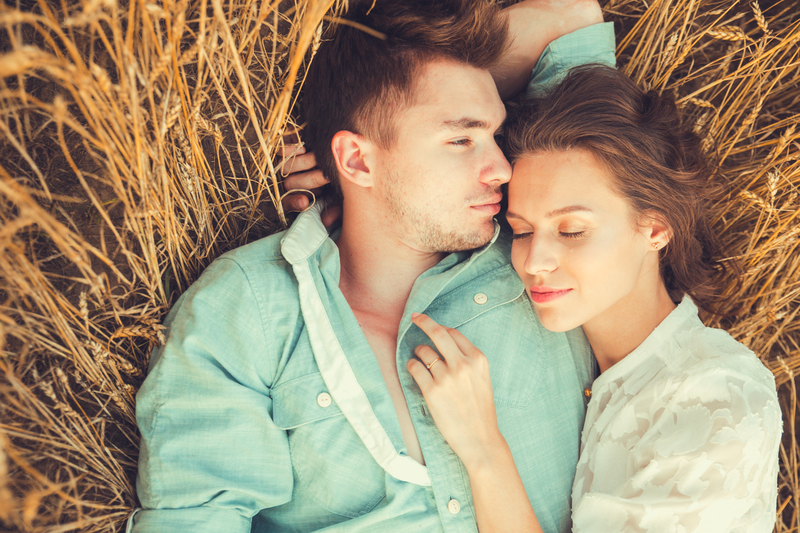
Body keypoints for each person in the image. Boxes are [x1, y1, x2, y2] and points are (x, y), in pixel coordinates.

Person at [130, 1, 617, 532]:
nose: (501, 168)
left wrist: (424, 86)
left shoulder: (538, 255)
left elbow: (568, 16)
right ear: (358, 159)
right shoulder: (247, 307)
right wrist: (372, 101)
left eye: (495, 135)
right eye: (460, 139)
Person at [407, 65, 782, 533]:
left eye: (572, 231)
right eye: (521, 230)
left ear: (655, 227)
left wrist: (484, 449)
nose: (534, 261)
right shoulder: (580, 353)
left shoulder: (714, 394)